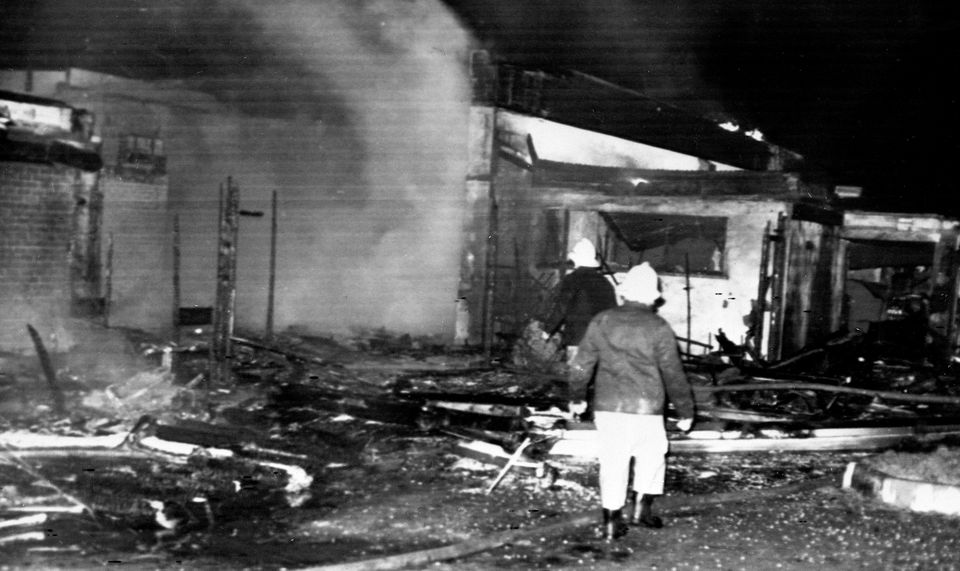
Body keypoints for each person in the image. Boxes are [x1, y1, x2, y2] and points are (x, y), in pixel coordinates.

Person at [567, 262, 695, 541]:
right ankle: (641, 511)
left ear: (624, 292)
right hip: (648, 408)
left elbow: (581, 365)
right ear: (652, 296)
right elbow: (673, 373)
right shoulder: (659, 327)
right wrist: (685, 411)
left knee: (613, 461)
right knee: (652, 457)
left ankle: (611, 523)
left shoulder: (602, 320)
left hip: (609, 407)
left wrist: (576, 397)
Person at [542, 238, 618, 363]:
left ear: (576, 259)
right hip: (600, 340)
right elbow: (613, 312)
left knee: (577, 376)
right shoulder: (605, 283)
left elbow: (561, 307)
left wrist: (547, 330)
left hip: (578, 339)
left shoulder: (572, 279)